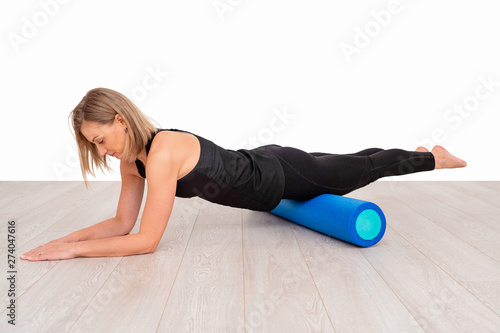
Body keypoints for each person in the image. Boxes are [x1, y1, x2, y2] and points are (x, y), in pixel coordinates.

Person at [20, 88, 467, 261]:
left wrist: (74, 255)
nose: (101, 149)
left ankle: (432, 158)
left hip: (279, 177)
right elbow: (121, 224)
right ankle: (419, 152)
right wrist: (69, 239)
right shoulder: (131, 161)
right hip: (260, 165)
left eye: (100, 139)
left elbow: (146, 240)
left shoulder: (161, 153)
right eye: (93, 145)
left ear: (120, 119)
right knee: (348, 161)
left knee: (358, 169)